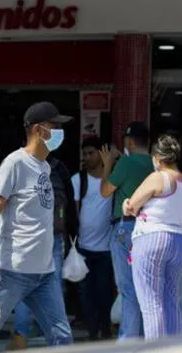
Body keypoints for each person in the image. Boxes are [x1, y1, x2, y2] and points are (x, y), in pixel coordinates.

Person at [0, 102, 74, 353]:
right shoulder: (15, 163)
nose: (60, 132)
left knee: (62, 338)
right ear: (39, 130)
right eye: (55, 126)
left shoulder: (44, 166)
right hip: (12, 272)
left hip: (45, 273)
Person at [8, 129, 76, 350]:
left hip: (27, 238)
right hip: (53, 235)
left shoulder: (18, 166)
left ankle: (21, 335)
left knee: (21, 285)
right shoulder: (60, 168)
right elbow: (70, 203)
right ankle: (56, 338)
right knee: (52, 284)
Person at [121, 135, 182, 340]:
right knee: (171, 300)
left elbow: (132, 206)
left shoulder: (157, 177)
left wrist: (126, 203)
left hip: (152, 238)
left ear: (157, 158)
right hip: (178, 240)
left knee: (151, 303)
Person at [99, 121, 154, 340]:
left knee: (128, 289)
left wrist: (107, 164)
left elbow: (105, 191)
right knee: (146, 288)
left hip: (126, 228)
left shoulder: (125, 164)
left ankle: (128, 341)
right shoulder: (155, 164)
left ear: (129, 141)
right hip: (149, 229)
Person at [71, 136, 114, 341]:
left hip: (106, 248)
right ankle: (92, 333)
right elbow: (75, 213)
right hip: (84, 248)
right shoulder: (78, 179)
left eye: (91, 153)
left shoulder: (113, 177)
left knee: (105, 292)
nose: (87, 157)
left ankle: (105, 329)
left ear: (101, 153)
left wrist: (112, 159)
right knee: (86, 294)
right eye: (85, 154)